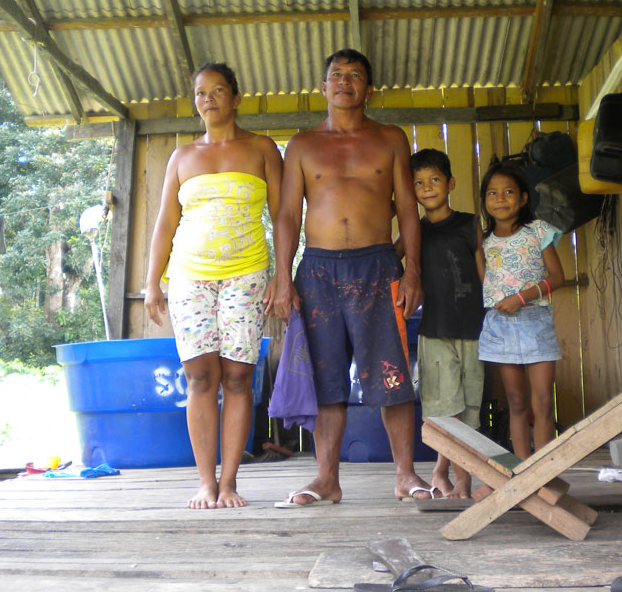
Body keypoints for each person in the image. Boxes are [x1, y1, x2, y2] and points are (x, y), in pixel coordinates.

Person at [272, 48, 434, 507]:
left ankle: (405, 475)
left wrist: (413, 269)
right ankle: (326, 479)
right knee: (325, 379)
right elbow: (286, 214)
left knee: (392, 375)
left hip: (379, 266)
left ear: (369, 88)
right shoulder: (302, 144)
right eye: (336, 75)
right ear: (323, 88)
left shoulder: (390, 138)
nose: (345, 82)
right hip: (317, 270)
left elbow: (407, 208)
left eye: (355, 75)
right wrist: (282, 278)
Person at [144, 62, 283, 509]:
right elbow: (165, 223)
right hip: (189, 277)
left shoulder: (262, 148)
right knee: (200, 376)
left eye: (218, 90)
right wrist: (151, 283)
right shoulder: (181, 156)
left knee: (239, 377)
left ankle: (230, 482)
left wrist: (283, 274)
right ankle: (206, 482)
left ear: (236, 98)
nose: (208, 98)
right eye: (201, 92)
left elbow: (283, 216)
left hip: (247, 273)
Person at [408, 148, 485, 499]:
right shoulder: (413, 233)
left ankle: (447, 474)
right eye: (419, 183)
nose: (427, 188)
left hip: (473, 329)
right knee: (442, 409)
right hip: (435, 330)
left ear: (451, 183)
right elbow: (396, 265)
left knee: (468, 410)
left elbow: (485, 275)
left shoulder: (470, 224)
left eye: (435, 179)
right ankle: (454, 480)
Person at [478, 159, 565, 460]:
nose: (500, 199)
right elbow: (485, 285)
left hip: (535, 321)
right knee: (516, 402)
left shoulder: (537, 231)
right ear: (484, 200)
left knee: (542, 401)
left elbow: (558, 276)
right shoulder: (482, 241)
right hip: (500, 326)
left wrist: (522, 297)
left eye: (508, 192)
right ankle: (523, 471)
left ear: (524, 198)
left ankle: (543, 471)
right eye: (492, 193)